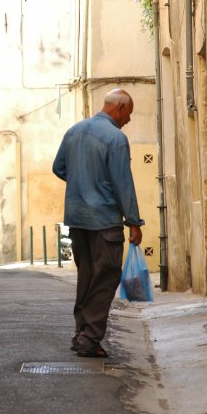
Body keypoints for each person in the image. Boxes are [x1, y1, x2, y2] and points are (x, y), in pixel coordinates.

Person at [52, 88, 144, 358]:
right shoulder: (116, 138)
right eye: (128, 114)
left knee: (87, 276)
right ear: (119, 108)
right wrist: (134, 222)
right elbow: (123, 184)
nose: (128, 119)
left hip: (78, 219)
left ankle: (81, 334)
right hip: (104, 221)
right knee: (105, 279)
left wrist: (82, 182)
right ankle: (89, 338)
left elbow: (58, 168)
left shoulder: (74, 131)